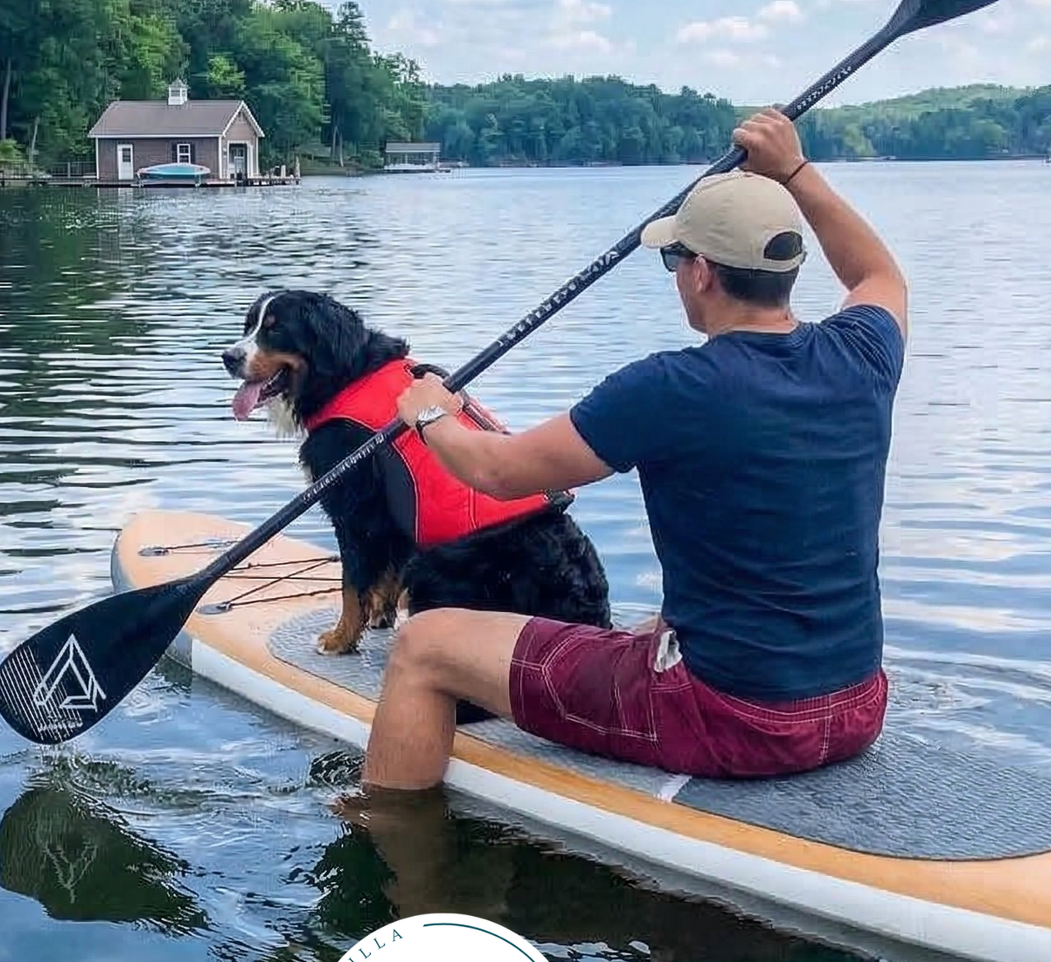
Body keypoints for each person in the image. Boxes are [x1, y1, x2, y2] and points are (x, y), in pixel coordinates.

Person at [367, 107, 907, 790]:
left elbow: (496, 472)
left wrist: (427, 412)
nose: (675, 273)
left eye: (673, 259)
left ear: (701, 273)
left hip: (730, 720)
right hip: (857, 705)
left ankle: (385, 837)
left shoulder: (670, 387)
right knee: (651, 627)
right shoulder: (863, 353)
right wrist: (796, 171)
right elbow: (878, 276)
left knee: (422, 644)